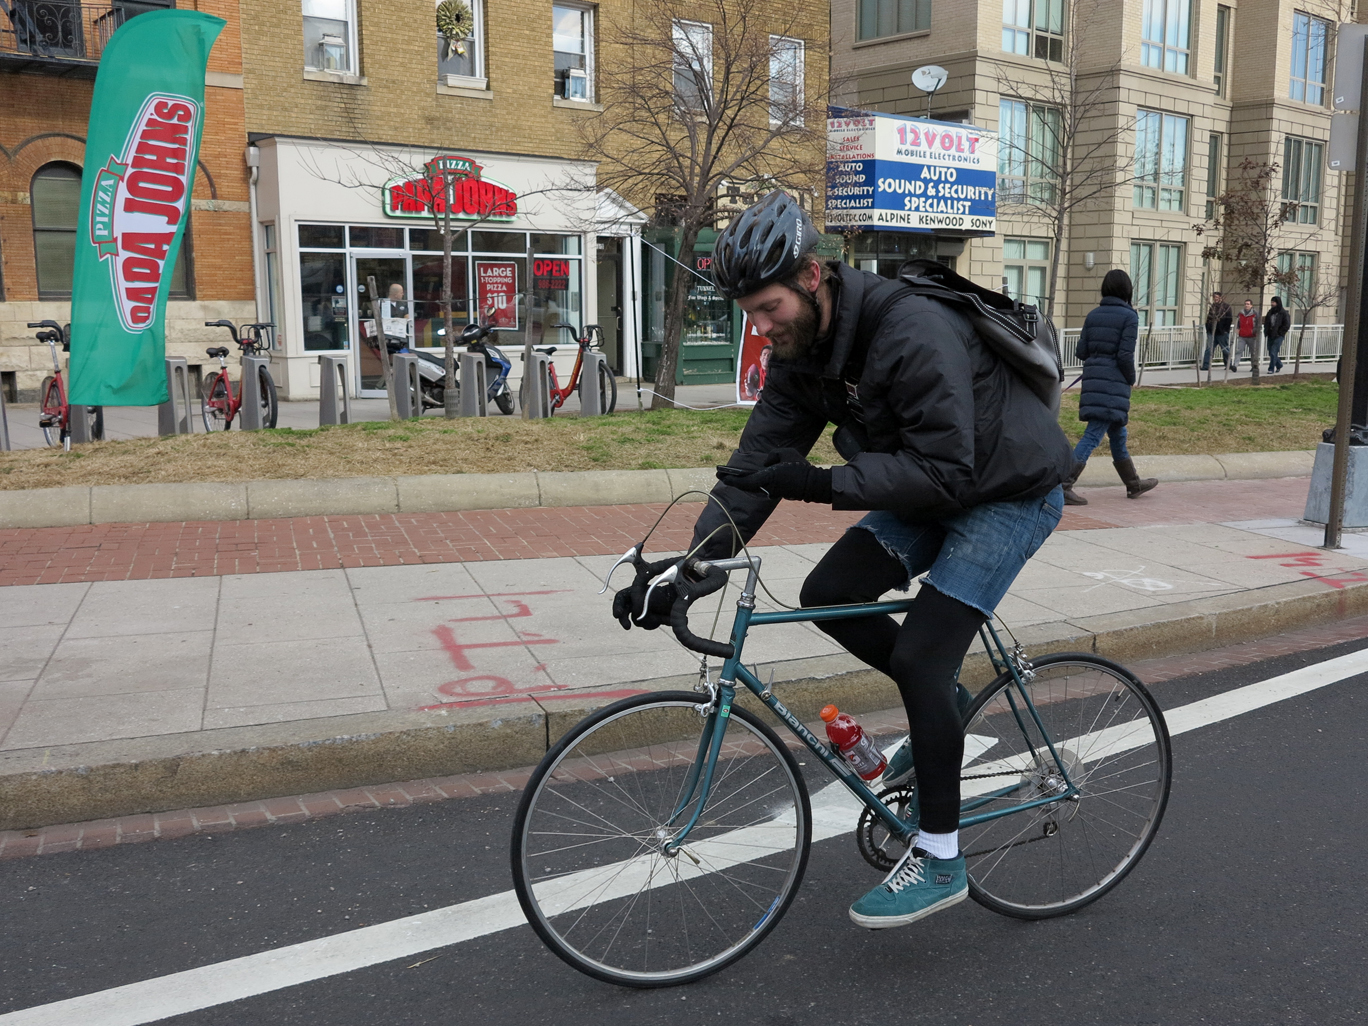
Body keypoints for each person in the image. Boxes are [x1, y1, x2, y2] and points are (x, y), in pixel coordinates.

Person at [612, 192, 1074, 929]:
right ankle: (946, 713)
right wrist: (688, 570)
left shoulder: (911, 329)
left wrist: (824, 486)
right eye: (749, 314)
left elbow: (945, 471)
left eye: (767, 308)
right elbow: (756, 466)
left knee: (922, 656)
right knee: (829, 590)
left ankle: (942, 856)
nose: (760, 329)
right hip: (935, 483)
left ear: (812, 276)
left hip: (1007, 493)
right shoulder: (805, 352)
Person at [1065, 270, 1157, 504]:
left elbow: (1080, 352)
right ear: (1127, 290)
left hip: (1095, 377)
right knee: (1094, 433)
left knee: (1117, 433)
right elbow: (1125, 355)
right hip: (1113, 381)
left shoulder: (1093, 315)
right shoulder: (1130, 317)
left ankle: (1133, 484)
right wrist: (1131, 378)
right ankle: (1064, 484)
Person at [1202, 291, 1232, 371]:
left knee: (1225, 349)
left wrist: (1225, 330)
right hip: (1212, 331)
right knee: (1209, 349)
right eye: (1214, 297)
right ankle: (1206, 365)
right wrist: (1208, 327)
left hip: (1222, 332)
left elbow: (1229, 320)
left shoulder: (1226, 307)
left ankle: (1229, 364)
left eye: (1217, 297)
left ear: (1221, 298)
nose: (1216, 299)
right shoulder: (1213, 306)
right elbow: (1209, 318)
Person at [1264, 296, 1291, 374]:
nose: (1272, 304)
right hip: (1270, 334)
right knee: (1270, 351)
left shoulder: (1283, 313)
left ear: (1277, 303)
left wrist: (1280, 332)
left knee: (1273, 351)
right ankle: (1279, 364)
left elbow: (1287, 325)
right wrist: (1267, 330)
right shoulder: (1270, 312)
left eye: (1274, 302)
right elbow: (1267, 322)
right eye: (1271, 302)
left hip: (1279, 335)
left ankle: (1271, 368)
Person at [1233, 298, 1260, 372]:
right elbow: (1238, 322)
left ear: (1251, 305)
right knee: (1239, 350)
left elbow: (1258, 323)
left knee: (1253, 352)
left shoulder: (1255, 313)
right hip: (1242, 335)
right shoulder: (1240, 313)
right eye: (1245, 304)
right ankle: (1235, 365)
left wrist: (1255, 331)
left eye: (1248, 304)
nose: (1246, 305)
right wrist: (1237, 329)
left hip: (1252, 336)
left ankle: (1254, 366)